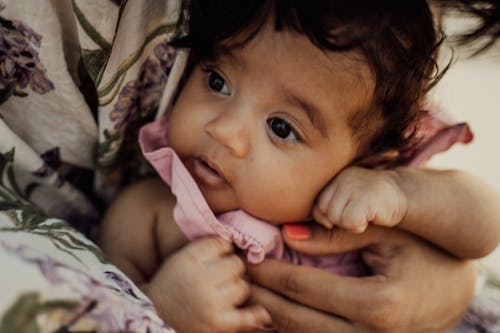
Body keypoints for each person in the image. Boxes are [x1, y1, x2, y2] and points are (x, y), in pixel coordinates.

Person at [0, 0, 494, 332]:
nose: (225, 131)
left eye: (282, 128)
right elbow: (110, 297)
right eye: (216, 81)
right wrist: (164, 305)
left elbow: (485, 226)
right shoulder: (148, 212)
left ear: (365, 158)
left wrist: (404, 195)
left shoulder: (368, 192)